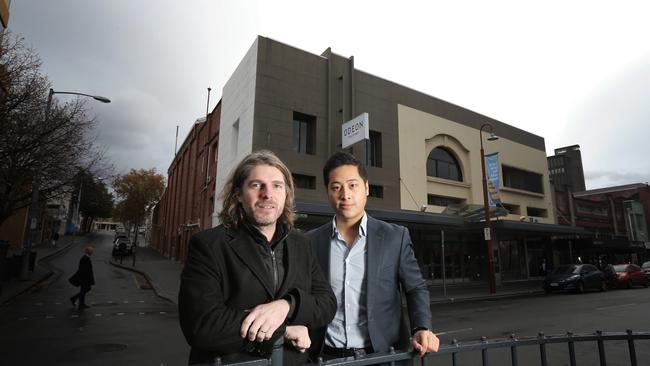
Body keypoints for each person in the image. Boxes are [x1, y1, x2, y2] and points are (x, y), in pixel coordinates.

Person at [178, 150, 336, 365]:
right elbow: (203, 326)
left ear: (286, 194)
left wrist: (286, 306)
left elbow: (326, 304)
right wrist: (283, 330)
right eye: (256, 185)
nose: (267, 194)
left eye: (277, 186)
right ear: (239, 195)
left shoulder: (302, 244)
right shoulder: (209, 245)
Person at [307, 151, 440, 360]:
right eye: (336, 187)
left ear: (366, 187)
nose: (345, 194)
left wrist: (422, 327)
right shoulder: (310, 242)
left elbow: (415, 288)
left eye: (353, 185)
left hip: (383, 355)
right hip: (326, 356)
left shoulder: (395, 237)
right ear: (327, 191)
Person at [69, 246, 95, 311]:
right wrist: (88, 279)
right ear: (88, 251)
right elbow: (84, 270)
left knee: (85, 290)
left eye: (92, 251)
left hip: (85, 279)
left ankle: (76, 300)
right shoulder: (85, 259)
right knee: (83, 291)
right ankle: (80, 304)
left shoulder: (86, 258)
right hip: (84, 279)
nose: (92, 252)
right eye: (91, 251)